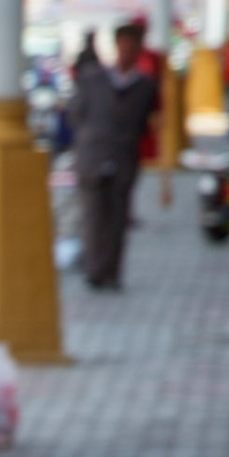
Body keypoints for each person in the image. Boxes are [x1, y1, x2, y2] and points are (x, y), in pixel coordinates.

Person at [67, 23, 158, 292]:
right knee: (93, 216)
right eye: (123, 46)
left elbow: (145, 123)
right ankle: (95, 269)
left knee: (118, 217)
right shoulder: (92, 79)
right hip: (92, 155)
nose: (127, 53)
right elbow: (75, 114)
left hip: (124, 157)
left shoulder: (145, 86)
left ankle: (112, 271)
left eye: (133, 48)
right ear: (116, 46)